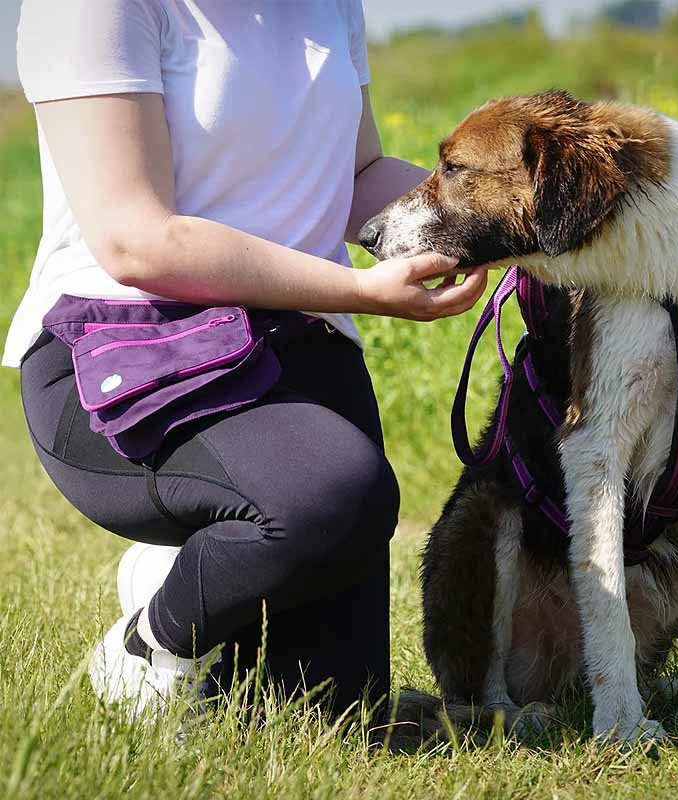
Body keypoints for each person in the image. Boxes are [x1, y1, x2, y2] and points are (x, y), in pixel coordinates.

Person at [4, 1, 488, 718]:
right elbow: (137, 240)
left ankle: (195, 572)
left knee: (329, 711)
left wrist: (508, 230)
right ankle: (149, 646)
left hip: (291, 342)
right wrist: (358, 290)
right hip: (128, 350)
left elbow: (358, 176)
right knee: (332, 495)